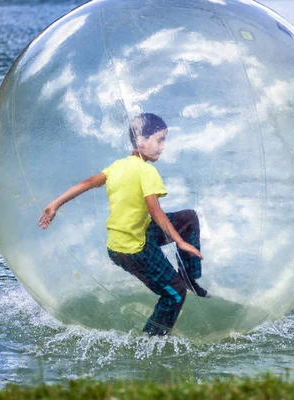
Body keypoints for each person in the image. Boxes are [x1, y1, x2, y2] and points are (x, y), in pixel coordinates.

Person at [38, 113, 208, 336]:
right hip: (133, 250)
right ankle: (150, 342)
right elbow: (155, 211)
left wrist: (55, 203)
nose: (163, 147)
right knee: (174, 293)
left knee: (188, 218)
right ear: (141, 141)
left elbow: (88, 183)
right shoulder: (147, 171)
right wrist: (180, 243)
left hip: (120, 244)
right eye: (160, 140)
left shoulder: (118, 166)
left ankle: (189, 277)